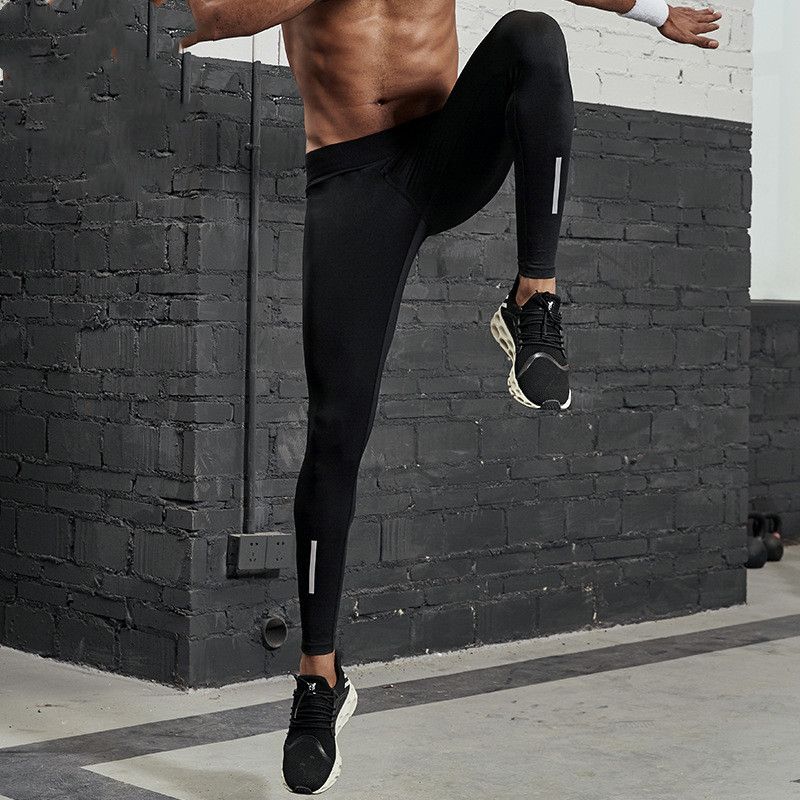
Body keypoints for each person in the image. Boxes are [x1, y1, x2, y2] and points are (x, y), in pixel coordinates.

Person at [182, 0, 722, 792]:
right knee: (336, 435)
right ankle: (319, 677)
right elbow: (219, 14)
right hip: (354, 175)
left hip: (446, 149)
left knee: (533, 36)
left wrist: (654, 12)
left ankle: (533, 298)